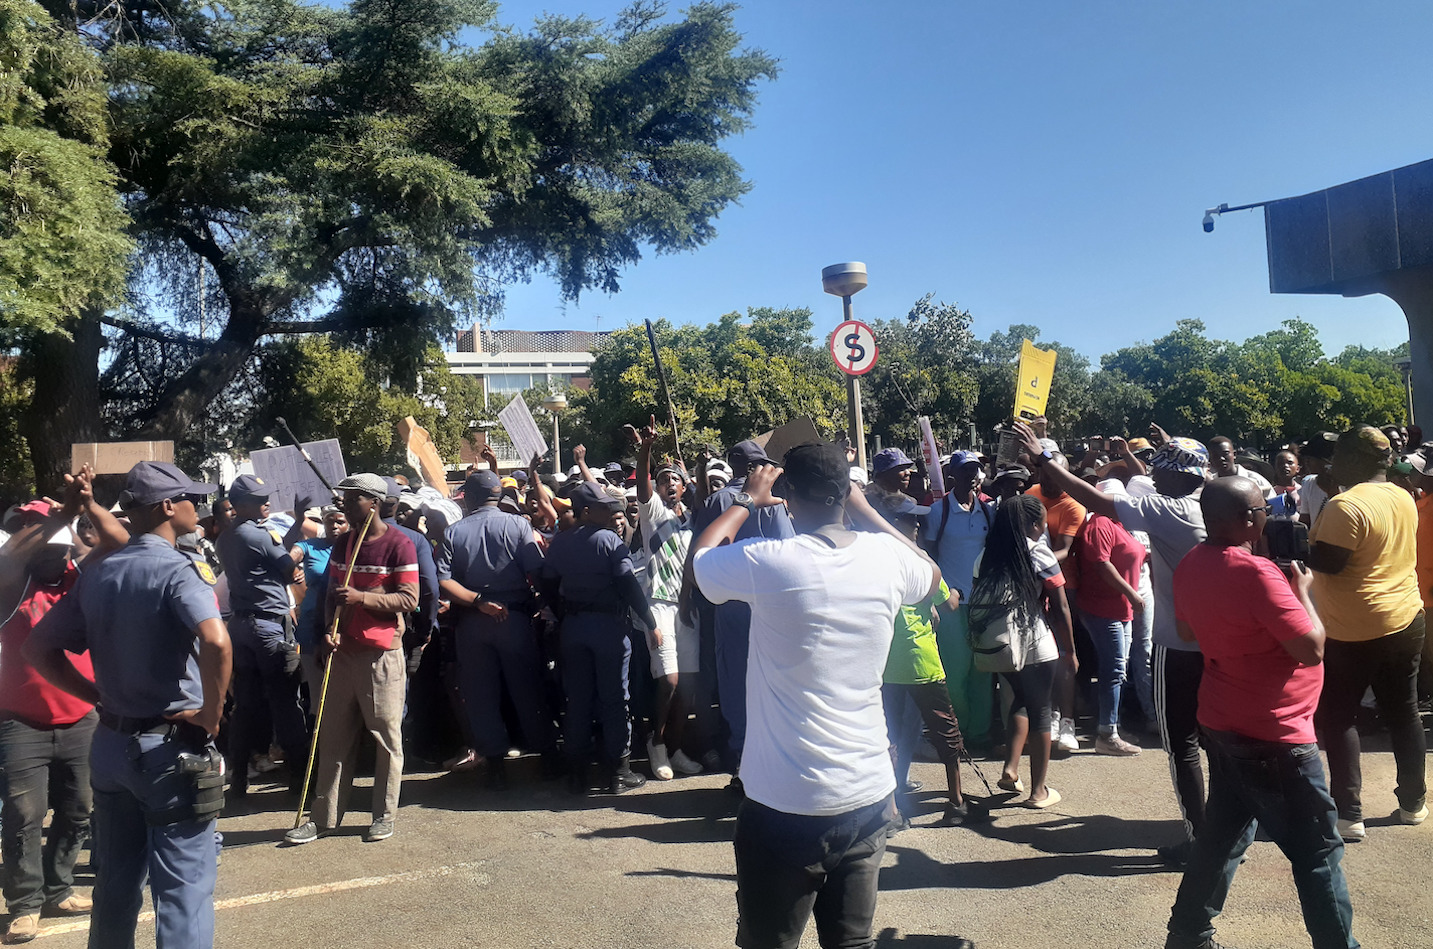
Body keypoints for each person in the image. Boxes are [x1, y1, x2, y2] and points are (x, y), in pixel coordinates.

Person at [691, 443, 946, 949]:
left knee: (769, 942)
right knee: (852, 942)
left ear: (786, 497)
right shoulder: (887, 558)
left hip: (785, 800)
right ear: (846, 494)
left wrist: (744, 500)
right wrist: (867, 509)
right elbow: (931, 575)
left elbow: (700, 561)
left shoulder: (770, 562)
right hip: (868, 792)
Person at [26, 461, 231, 949]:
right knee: (183, 891)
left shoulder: (99, 573)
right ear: (168, 507)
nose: (197, 509)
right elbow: (217, 642)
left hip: (112, 746)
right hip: (169, 749)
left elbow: (37, 650)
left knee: (115, 884)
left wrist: (94, 696)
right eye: (191, 500)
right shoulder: (178, 567)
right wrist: (211, 715)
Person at [1164, 477, 1356, 949]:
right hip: (1277, 733)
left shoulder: (1190, 564)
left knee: (1222, 837)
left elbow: (1189, 632)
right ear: (1249, 519)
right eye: (1260, 507)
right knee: (1317, 852)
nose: (1267, 513)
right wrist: (1304, 591)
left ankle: (1187, 934)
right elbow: (1311, 649)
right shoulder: (1258, 574)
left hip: (1225, 721)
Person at [1014, 420, 1210, 866]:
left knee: (1182, 745)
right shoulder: (1214, 500)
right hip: (1217, 639)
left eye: (1163, 470)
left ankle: (1201, 837)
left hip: (1179, 644)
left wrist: (1044, 458)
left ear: (1185, 475)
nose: (1153, 477)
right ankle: (1229, 822)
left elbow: (1100, 500)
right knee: (1219, 740)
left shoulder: (1172, 510)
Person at [0, 469, 127, 945]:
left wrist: (85, 506)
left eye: (57, 539)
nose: (50, 549)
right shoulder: (11, 585)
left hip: (81, 717)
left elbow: (119, 541)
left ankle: (59, 888)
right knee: (23, 815)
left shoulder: (82, 575)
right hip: (19, 722)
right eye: (39, 535)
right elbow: (8, 558)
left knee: (78, 811)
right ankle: (25, 904)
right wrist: (62, 514)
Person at [1308, 425, 1427, 841]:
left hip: (1352, 628)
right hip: (1406, 618)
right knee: (1404, 711)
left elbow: (1328, 563)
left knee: (1340, 717)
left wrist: (1291, 545)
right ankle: (1413, 803)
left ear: (1355, 460)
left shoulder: (1345, 505)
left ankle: (1350, 815)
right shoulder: (1403, 494)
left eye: (1338, 454)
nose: (1331, 461)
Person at [286, 473, 418, 846]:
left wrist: (363, 599)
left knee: (386, 739)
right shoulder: (343, 543)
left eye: (351, 499)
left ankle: (383, 816)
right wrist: (328, 629)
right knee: (332, 737)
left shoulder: (399, 544)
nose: (342, 504)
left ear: (373, 503)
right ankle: (323, 818)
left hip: (381, 654)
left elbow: (409, 599)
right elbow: (331, 593)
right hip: (341, 653)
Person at [436, 465, 558, 789]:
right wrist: (543, 605)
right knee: (527, 689)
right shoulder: (518, 525)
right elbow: (538, 572)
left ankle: (495, 766)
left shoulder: (453, 532)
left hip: (473, 622)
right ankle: (547, 756)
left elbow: (443, 581)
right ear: (498, 495)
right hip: (515, 619)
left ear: (469, 498)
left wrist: (477, 601)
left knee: (481, 695)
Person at [682, 440, 794, 783]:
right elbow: (788, 550)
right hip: (769, 607)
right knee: (772, 683)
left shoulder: (716, 501)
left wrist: (688, 599)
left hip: (728, 605)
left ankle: (744, 763)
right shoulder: (773, 502)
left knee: (736, 683)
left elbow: (697, 555)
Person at [542, 482, 658, 795]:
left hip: (574, 626)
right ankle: (619, 772)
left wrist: (564, 613)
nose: (610, 510)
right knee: (615, 698)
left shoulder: (561, 542)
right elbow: (627, 584)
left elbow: (548, 583)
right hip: (608, 627)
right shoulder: (608, 540)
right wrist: (649, 621)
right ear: (586, 511)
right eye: (603, 506)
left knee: (577, 699)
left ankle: (578, 773)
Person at [970, 494, 1075, 808]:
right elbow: (1061, 606)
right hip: (1035, 642)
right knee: (1041, 709)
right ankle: (1039, 792)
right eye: (1041, 521)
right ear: (1033, 524)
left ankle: (1011, 769)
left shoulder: (985, 555)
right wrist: (1070, 651)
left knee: (1019, 701)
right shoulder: (1039, 553)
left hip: (1002, 645)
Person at [871, 492, 967, 829]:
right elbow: (948, 603)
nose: (917, 525)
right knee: (946, 731)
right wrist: (955, 592)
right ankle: (956, 801)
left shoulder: (869, 559)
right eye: (911, 519)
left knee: (889, 734)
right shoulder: (919, 559)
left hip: (883, 660)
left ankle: (890, 809)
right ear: (895, 523)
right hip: (920, 659)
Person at [214, 474, 307, 798]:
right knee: (286, 703)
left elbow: (273, 552)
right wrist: (299, 552)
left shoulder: (227, 537)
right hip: (269, 627)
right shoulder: (256, 534)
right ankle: (300, 781)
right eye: (258, 500)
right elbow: (285, 565)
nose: (266, 503)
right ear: (239, 505)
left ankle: (239, 779)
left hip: (241, 627)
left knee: (246, 705)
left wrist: (296, 523)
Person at [632, 417, 703, 780]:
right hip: (659, 605)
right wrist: (647, 448)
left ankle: (676, 750)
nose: (668, 484)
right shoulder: (653, 514)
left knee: (687, 688)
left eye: (674, 478)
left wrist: (698, 470)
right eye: (663, 479)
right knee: (670, 681)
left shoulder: (694, 521)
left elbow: (705, 497)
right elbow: (642, 485)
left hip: (688, 609)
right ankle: (655, 744)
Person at [919, 451, 994, 752]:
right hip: (951, 607)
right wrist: (940, 595)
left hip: (984, 605)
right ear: (953, 477)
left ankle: (980, 732)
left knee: (982, 671)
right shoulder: (939, 512)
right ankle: (957, 732)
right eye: (965, 473)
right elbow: (927, 556)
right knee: (955, 670)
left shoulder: (988, 511)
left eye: (975, 472)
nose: (971, 478)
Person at [1074, 480, 1147, 756]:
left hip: (1121, 609)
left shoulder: (1119, 525)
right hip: (1103, 608)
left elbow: (1135, 555)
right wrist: (1132, 593)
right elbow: (1101, 563)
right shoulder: (1101, 523)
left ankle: (1111, 725)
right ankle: (1107, 733)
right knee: (1114, 669)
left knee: (1118, 669)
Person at [1024, 451, 1085, 754]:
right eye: (1045, 474)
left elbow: (1066, 550)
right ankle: (1051, 716)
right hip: (1032, 587)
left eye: (1055, 475)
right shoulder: (1030, 495)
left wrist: (1033, 559)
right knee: (1039, 655)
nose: (1048, 480)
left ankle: (1069, 723)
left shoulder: (1074, 506)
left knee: (1064, 654)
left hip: (1063, 587)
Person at [1207, 436, 1275, 499]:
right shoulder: (1210, 485)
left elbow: (1274, 506)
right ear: (1210, 459)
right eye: (1215, 456)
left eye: (1225, 453)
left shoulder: (1256, 480)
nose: (1221, 458)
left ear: (1234, 454)